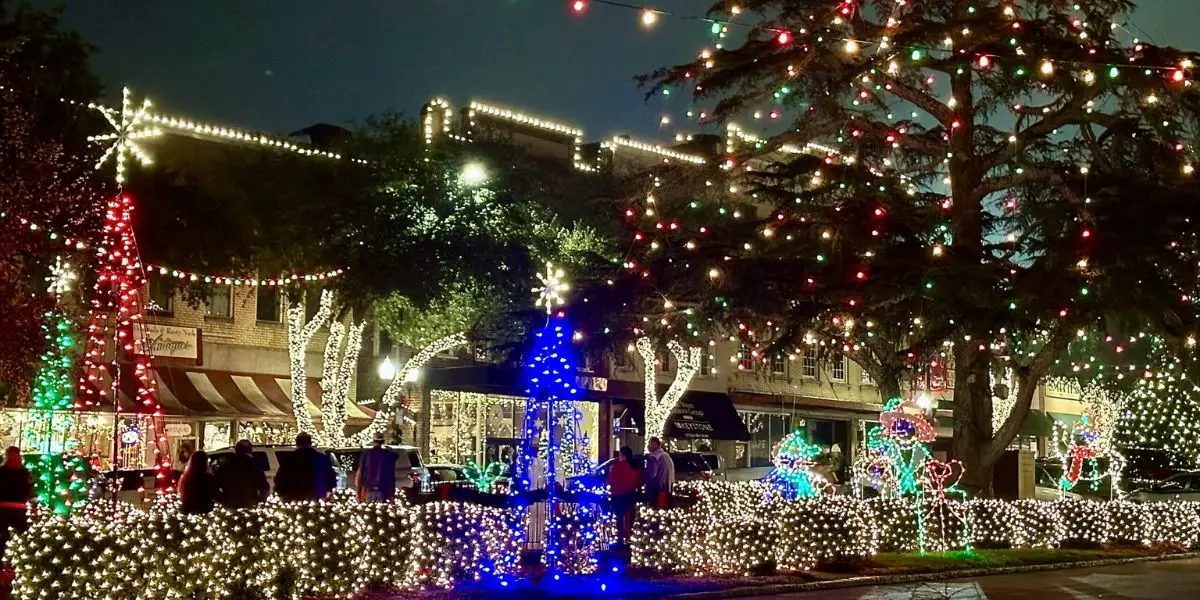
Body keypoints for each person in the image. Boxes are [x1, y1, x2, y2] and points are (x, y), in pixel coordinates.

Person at [273, 433, 336, 502]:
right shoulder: (321, 458)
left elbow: (280, 478)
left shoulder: (290, 459)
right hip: (317, 494)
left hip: (294, 495)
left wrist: (281, 492)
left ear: (297, 444)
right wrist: (328, 489)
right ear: (310, 443)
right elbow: (330, 476)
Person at [214, 439, 269, 508]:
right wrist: (259, 500)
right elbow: (264, 486)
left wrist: (222, 498)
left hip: (230, 505)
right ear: (250, 450)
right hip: (249, 504)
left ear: (236, 450)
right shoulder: (253, 465)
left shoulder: (227, 465)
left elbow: (215, 486)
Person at [0, 447, 33, 558]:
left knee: (7, 535)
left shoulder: (23, 473)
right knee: (14, 534)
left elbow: (27, 489)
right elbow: (28, 489)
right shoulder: (23, 473)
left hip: (12, 507)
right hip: (11, 507)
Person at [606, 446, 641, 546]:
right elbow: (638, 482)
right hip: (630, 495)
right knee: (629, 517)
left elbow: (610, 481)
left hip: (618, 496)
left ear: (623, 455)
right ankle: (629, 536)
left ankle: (620, 539)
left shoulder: (617, 467)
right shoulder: (635, 467)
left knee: (620, 518)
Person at [356, 433, 398, 502]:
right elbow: (391, 475)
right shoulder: (388, 455)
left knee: (370, 510)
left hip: (369, 488)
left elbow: (361, 474)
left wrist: (359, 491)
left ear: (373, 441)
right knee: (382, 511)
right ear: (383, 442)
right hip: (383, 489)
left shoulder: (366, 455)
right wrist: (392, 493)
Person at [178, 450, 216, 515]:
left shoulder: (186, 477)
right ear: (205, 462)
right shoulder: (207, 478)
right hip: (204, 511)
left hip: (189, 510)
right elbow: (214, 494)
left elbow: (182, 493)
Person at [644, 437, 674, 509]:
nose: (649, 446)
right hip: (667, 487)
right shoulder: (666, 456)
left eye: (650, 443)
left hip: (656, 488)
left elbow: (652, 474)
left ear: (655, 444)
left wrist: (644, 479)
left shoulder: (654, 457)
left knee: (654, 509)